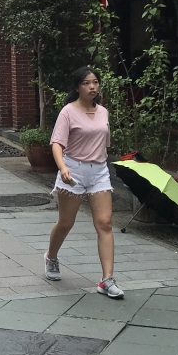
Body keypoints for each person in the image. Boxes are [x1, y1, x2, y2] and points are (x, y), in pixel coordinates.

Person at [44, 66, 122, 299]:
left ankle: (107, 280)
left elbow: (104, 143)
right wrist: (63, 167)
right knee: (66, 222)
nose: (92, 87)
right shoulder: (68, 112)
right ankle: (51, 257)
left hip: (99, 171)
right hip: (73, 170)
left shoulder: (103, 112)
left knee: (105, 223)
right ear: (78, 87)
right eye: (87, 83)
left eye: (95, 82)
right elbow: (57, 143)